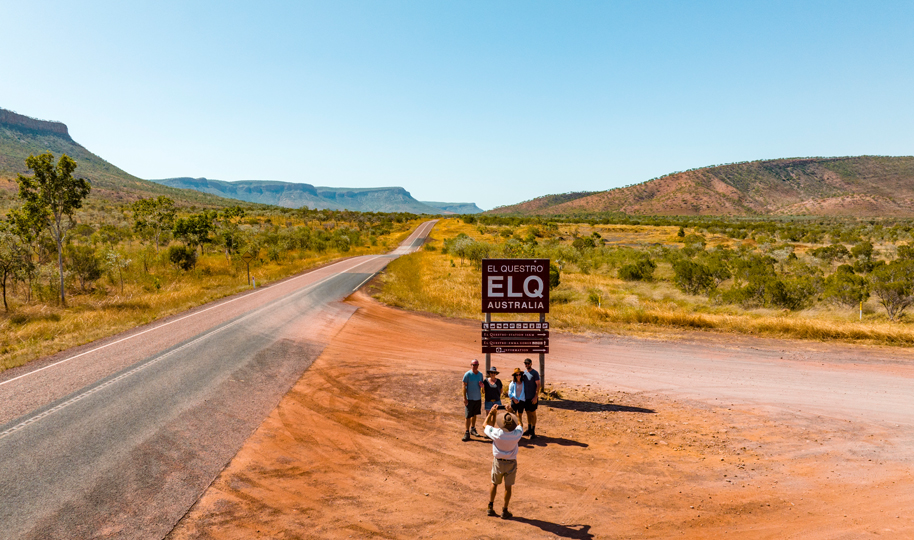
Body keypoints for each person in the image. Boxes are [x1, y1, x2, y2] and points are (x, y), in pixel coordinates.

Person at [483, 404, 523, 518]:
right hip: (511, 463)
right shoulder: (516, 435)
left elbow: (484, 425)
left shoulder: (496, 433)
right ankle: (505, 510)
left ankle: (490, 507)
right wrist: (513, 413)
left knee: (494, 483)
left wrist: (491, 413)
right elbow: (521, 424)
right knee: (508, 487)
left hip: (498, 462)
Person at [462, 359, 484, 441]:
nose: (474, 366)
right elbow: (464, 386)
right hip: (469, 399)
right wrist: (465, 398)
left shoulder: (480, 375)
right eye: (473, 365)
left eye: (476, 365)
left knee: (474, 414)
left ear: (478, 365)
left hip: (477, 398)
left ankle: (473, 429)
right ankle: (467, 432)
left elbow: (481, 386)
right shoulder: (467, 375)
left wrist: (483, 388)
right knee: (468, 416)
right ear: (470, 365)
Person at [522, 358, 542, 439]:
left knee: (533, 414)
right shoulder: (523, 373)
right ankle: (529, 429)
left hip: (532, 397)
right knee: (528, 413)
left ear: (531, 363)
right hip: (525, 398)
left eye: (528, 363)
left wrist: (535, 397)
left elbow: (538, 385)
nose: (527, 365)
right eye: (525, 363)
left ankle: (533, 431)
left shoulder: (535, 373)